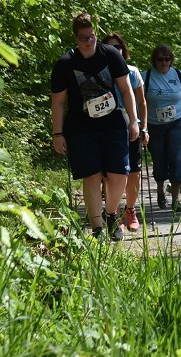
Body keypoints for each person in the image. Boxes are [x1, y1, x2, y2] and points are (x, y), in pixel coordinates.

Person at [50, 13, 140, 241]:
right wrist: (57, 133)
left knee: (119, 173)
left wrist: (134, 121)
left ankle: (111, 214)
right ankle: (97, 228)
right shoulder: (65, 64)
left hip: (112, 122)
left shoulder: (110, 55)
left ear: (96, 34)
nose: (88, 42)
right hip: (81, 125)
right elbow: (58, 101)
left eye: (91, 37)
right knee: (90, 176)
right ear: (75, 37)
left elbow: (127, 89)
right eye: (83, 38)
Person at [102, 32, 148, 232]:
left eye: (118, 47)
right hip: (107, 126)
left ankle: (130, 210)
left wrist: (144, 126)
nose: (116, 51)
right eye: (111, 47)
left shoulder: (132, 72)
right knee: (109, 173)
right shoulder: (100, 73)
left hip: (131, 125)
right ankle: (112, 211)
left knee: (134, 172)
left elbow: (142, 102)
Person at [143, 44, 181, 212]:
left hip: (177, 122)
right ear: (154, 61)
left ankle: (175, 199)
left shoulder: (179, 75)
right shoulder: (146, 76)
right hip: (154, 124)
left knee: (176, 157)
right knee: (159, 158)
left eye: (167, 59)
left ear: (171, 60)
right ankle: (160, 190)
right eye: (160, 59)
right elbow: (140, 102)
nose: (164, 62)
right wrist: (140, 123)